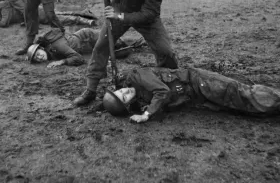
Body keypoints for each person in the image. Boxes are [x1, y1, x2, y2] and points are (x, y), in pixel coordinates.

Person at [74, 0, 178, 106]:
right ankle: (90, 90)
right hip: (119, 8)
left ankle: (171, 85)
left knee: (166, 52)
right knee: (101, 46)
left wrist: (120, 16)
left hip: (144, 17)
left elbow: (149, 14)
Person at [102, 67, 280, 123]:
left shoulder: (137, 76)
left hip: (198, 81)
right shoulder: (140, 100)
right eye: (124, 97)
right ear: (128, 104)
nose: (125, 91)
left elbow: (162, 91)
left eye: (121, 90)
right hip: (198, 97)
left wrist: (146, 115)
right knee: (241, 108)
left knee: (240, 93)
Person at [26, 28, 145, 68]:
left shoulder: (57, 46)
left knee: (119, 44)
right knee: (116, 52)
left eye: (38, 53)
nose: (39, 57)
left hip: (90, 38)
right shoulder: (50, 50)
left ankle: (145, 41)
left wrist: (62, 61)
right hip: (88, 45)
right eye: (37, 58)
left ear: (41, 48)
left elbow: (78, 58)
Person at [0, 0, 97, 28]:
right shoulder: (5, 6)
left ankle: (86, 21)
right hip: (35, 11)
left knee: (58, 19)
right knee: (60, 14)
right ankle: (84, 13)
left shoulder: (4, 8)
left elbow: (4, 23)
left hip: (36, 14)